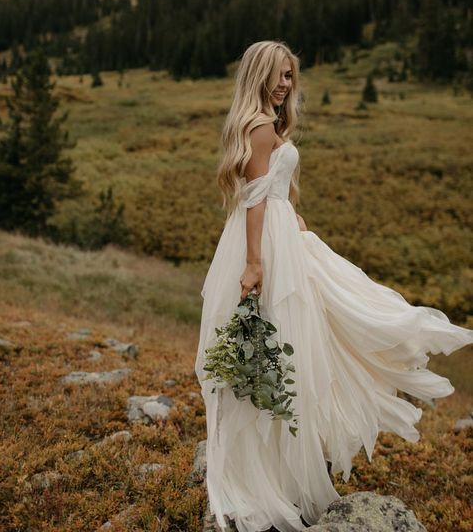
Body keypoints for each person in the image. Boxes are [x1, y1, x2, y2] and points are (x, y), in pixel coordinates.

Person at [194, 40, 473, 532]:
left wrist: (292, 214)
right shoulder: (259, 128)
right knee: (281, 347)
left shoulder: (264, 127)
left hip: (280, 237)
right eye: (279, 75)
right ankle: (269, 475)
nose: (286, 84)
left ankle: (282, 467)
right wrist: (256, 264)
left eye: (290, 76)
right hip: (264, 247)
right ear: (259, 75)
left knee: (304, 339)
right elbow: (255, 199)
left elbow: (266, 194)